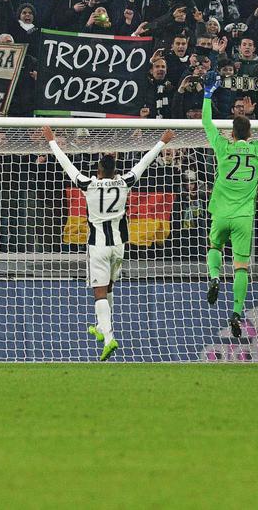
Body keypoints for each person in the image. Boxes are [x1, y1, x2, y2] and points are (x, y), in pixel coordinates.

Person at [43, 126, 176, 361]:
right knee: (110, 287)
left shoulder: (88, 184)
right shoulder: (124, 183)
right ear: (115, 171)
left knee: (99, 292)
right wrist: (162, 142)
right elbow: (144, 162)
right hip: (119, 245)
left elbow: (67, 165)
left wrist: (52, 141)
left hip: (98, 246)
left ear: (98, 170)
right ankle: (100, 326)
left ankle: (108, 338)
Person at [202, 71, 258, 337]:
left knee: (214, 246)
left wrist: (208, 94)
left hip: (221, 213)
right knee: (241, 267)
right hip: (244, 217)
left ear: (232, 134)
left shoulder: (223, 147)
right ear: (250, 133)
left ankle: (214, 276)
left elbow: (206, 122)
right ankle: (236, 312)